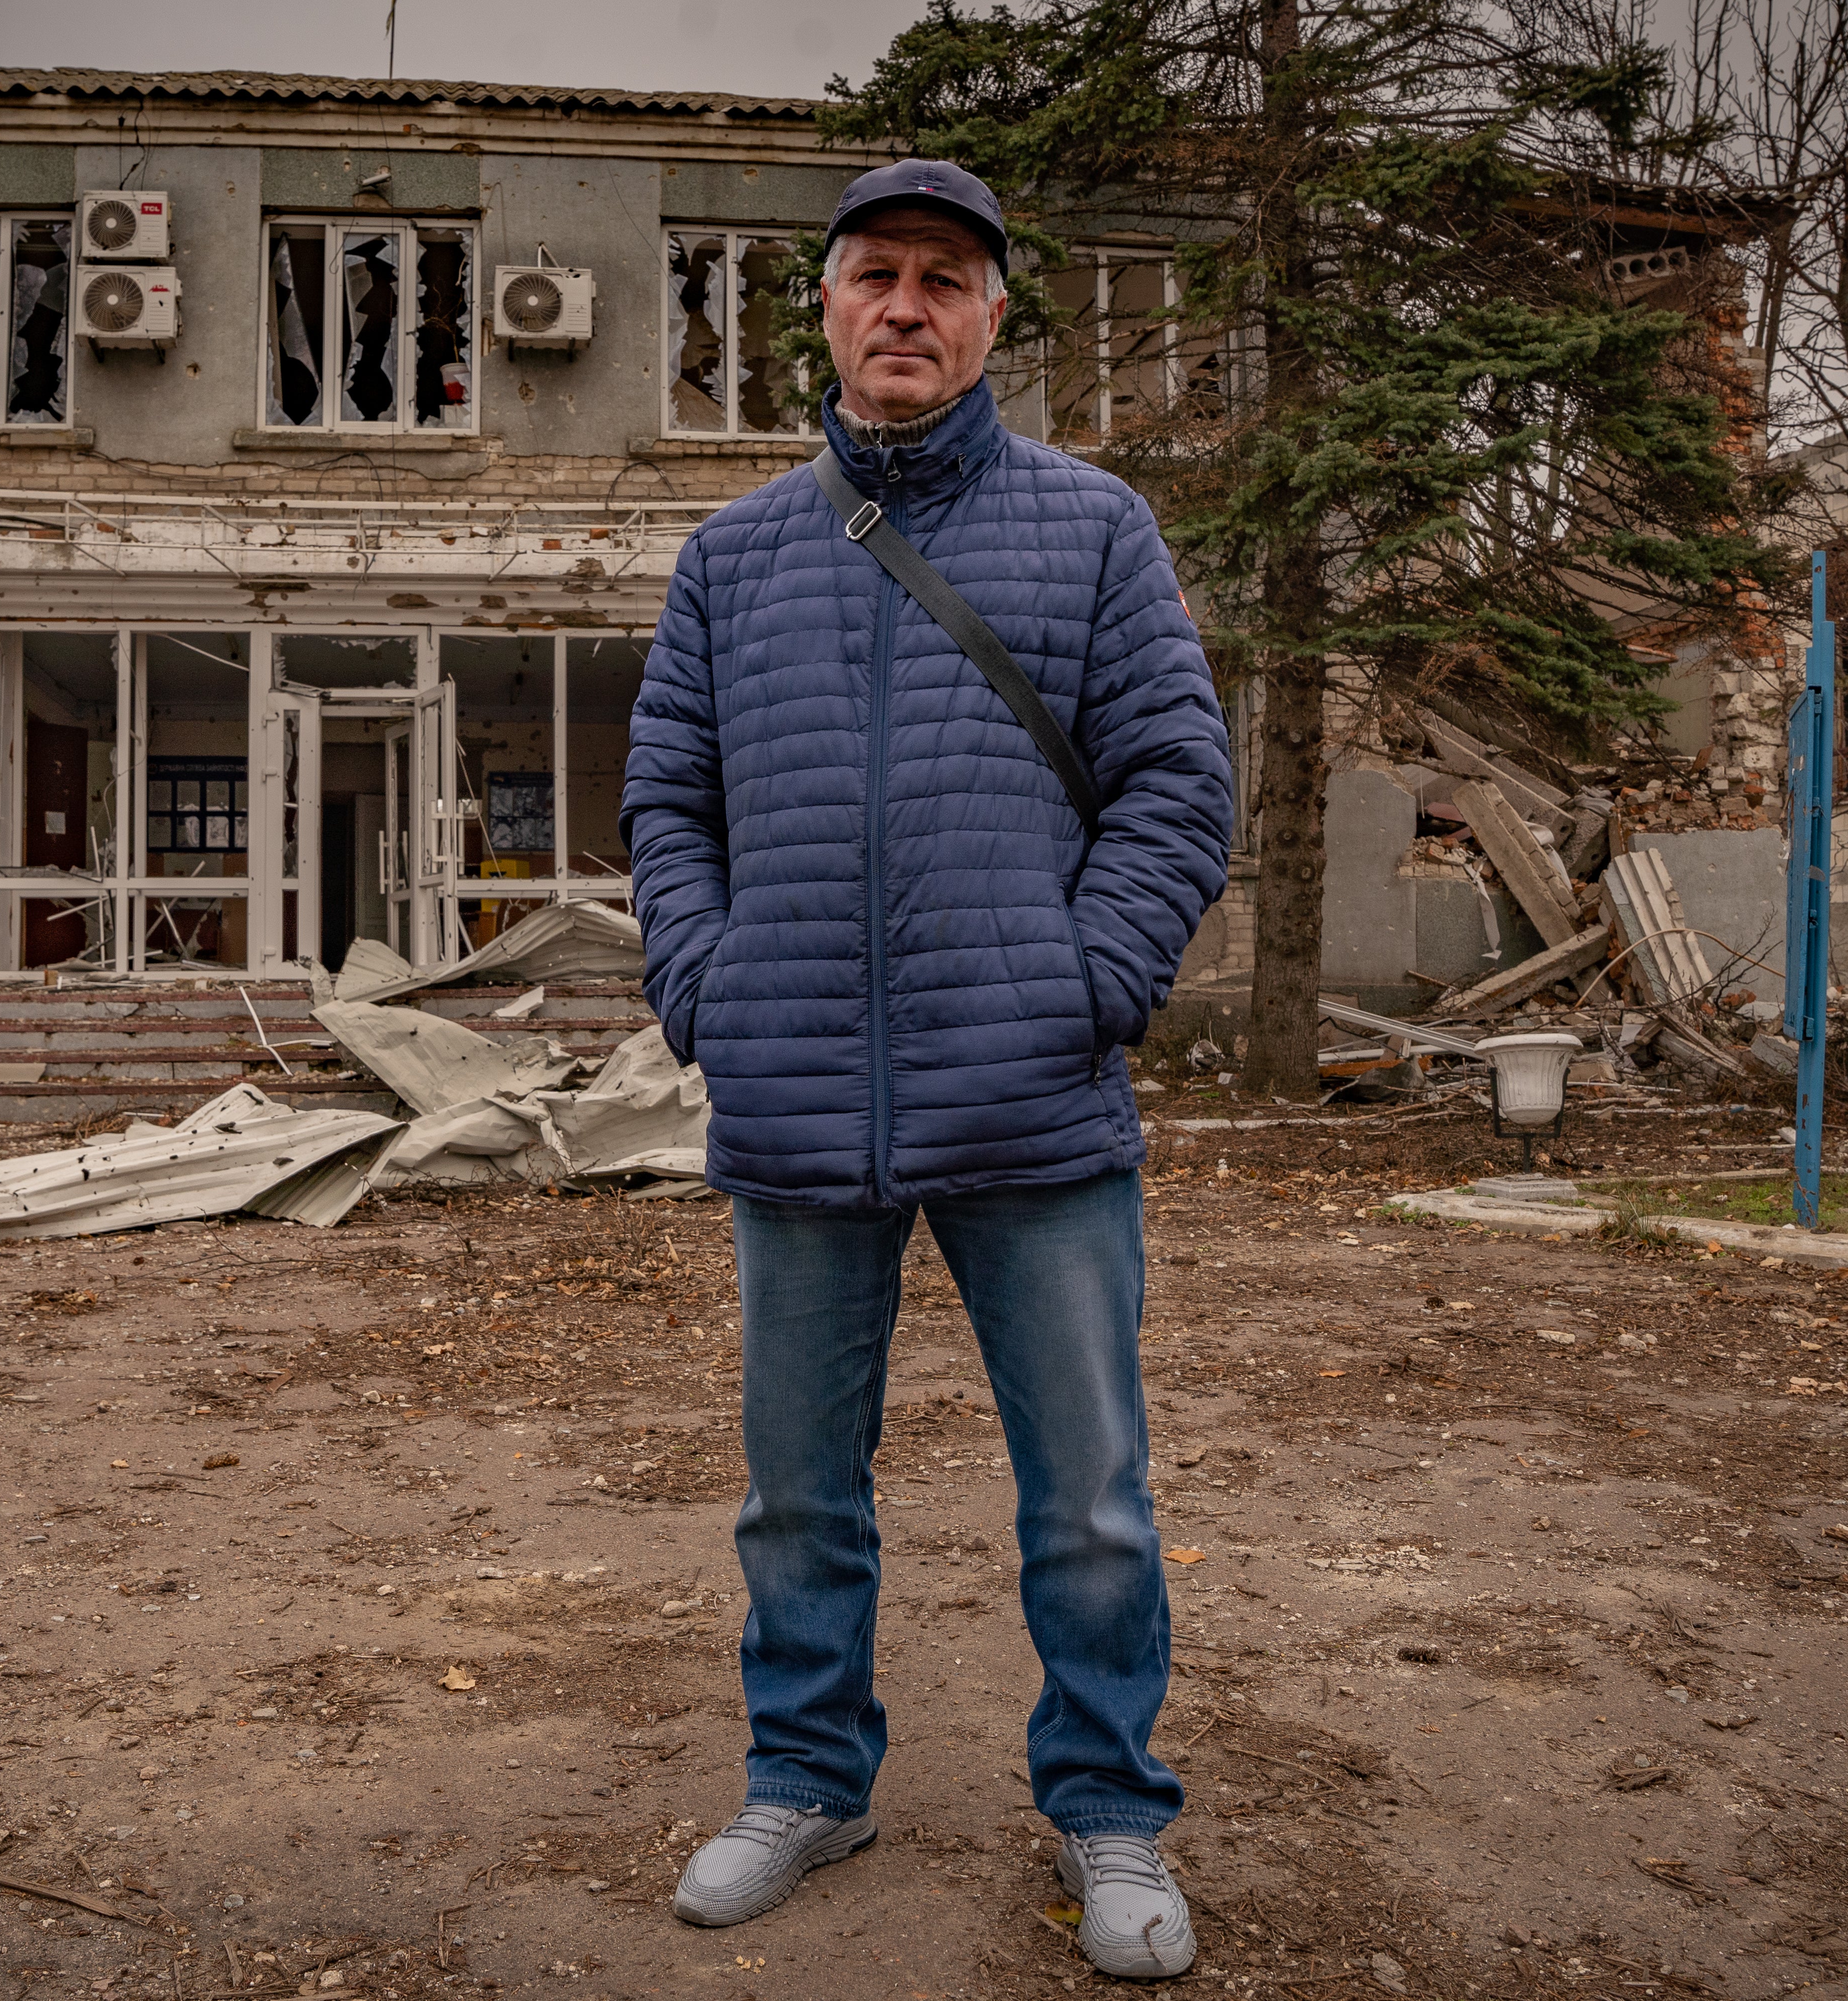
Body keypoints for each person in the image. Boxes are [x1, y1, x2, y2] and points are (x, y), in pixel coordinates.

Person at [621, 159, 1236, 1981]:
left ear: (988, 321)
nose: (906, 307)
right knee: (798, 1491)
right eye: (874, 276)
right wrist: (710, 987)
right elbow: (668, 804)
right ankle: (810, 1779)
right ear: (822, 309)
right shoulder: (732, 556)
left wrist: (1088, 980)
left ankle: (1110, 1809)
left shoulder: (1097, 529)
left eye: (945, 281)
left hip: (1035, 1102)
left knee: (1097, 1500)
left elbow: (1175, 785)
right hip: (799, 1098)